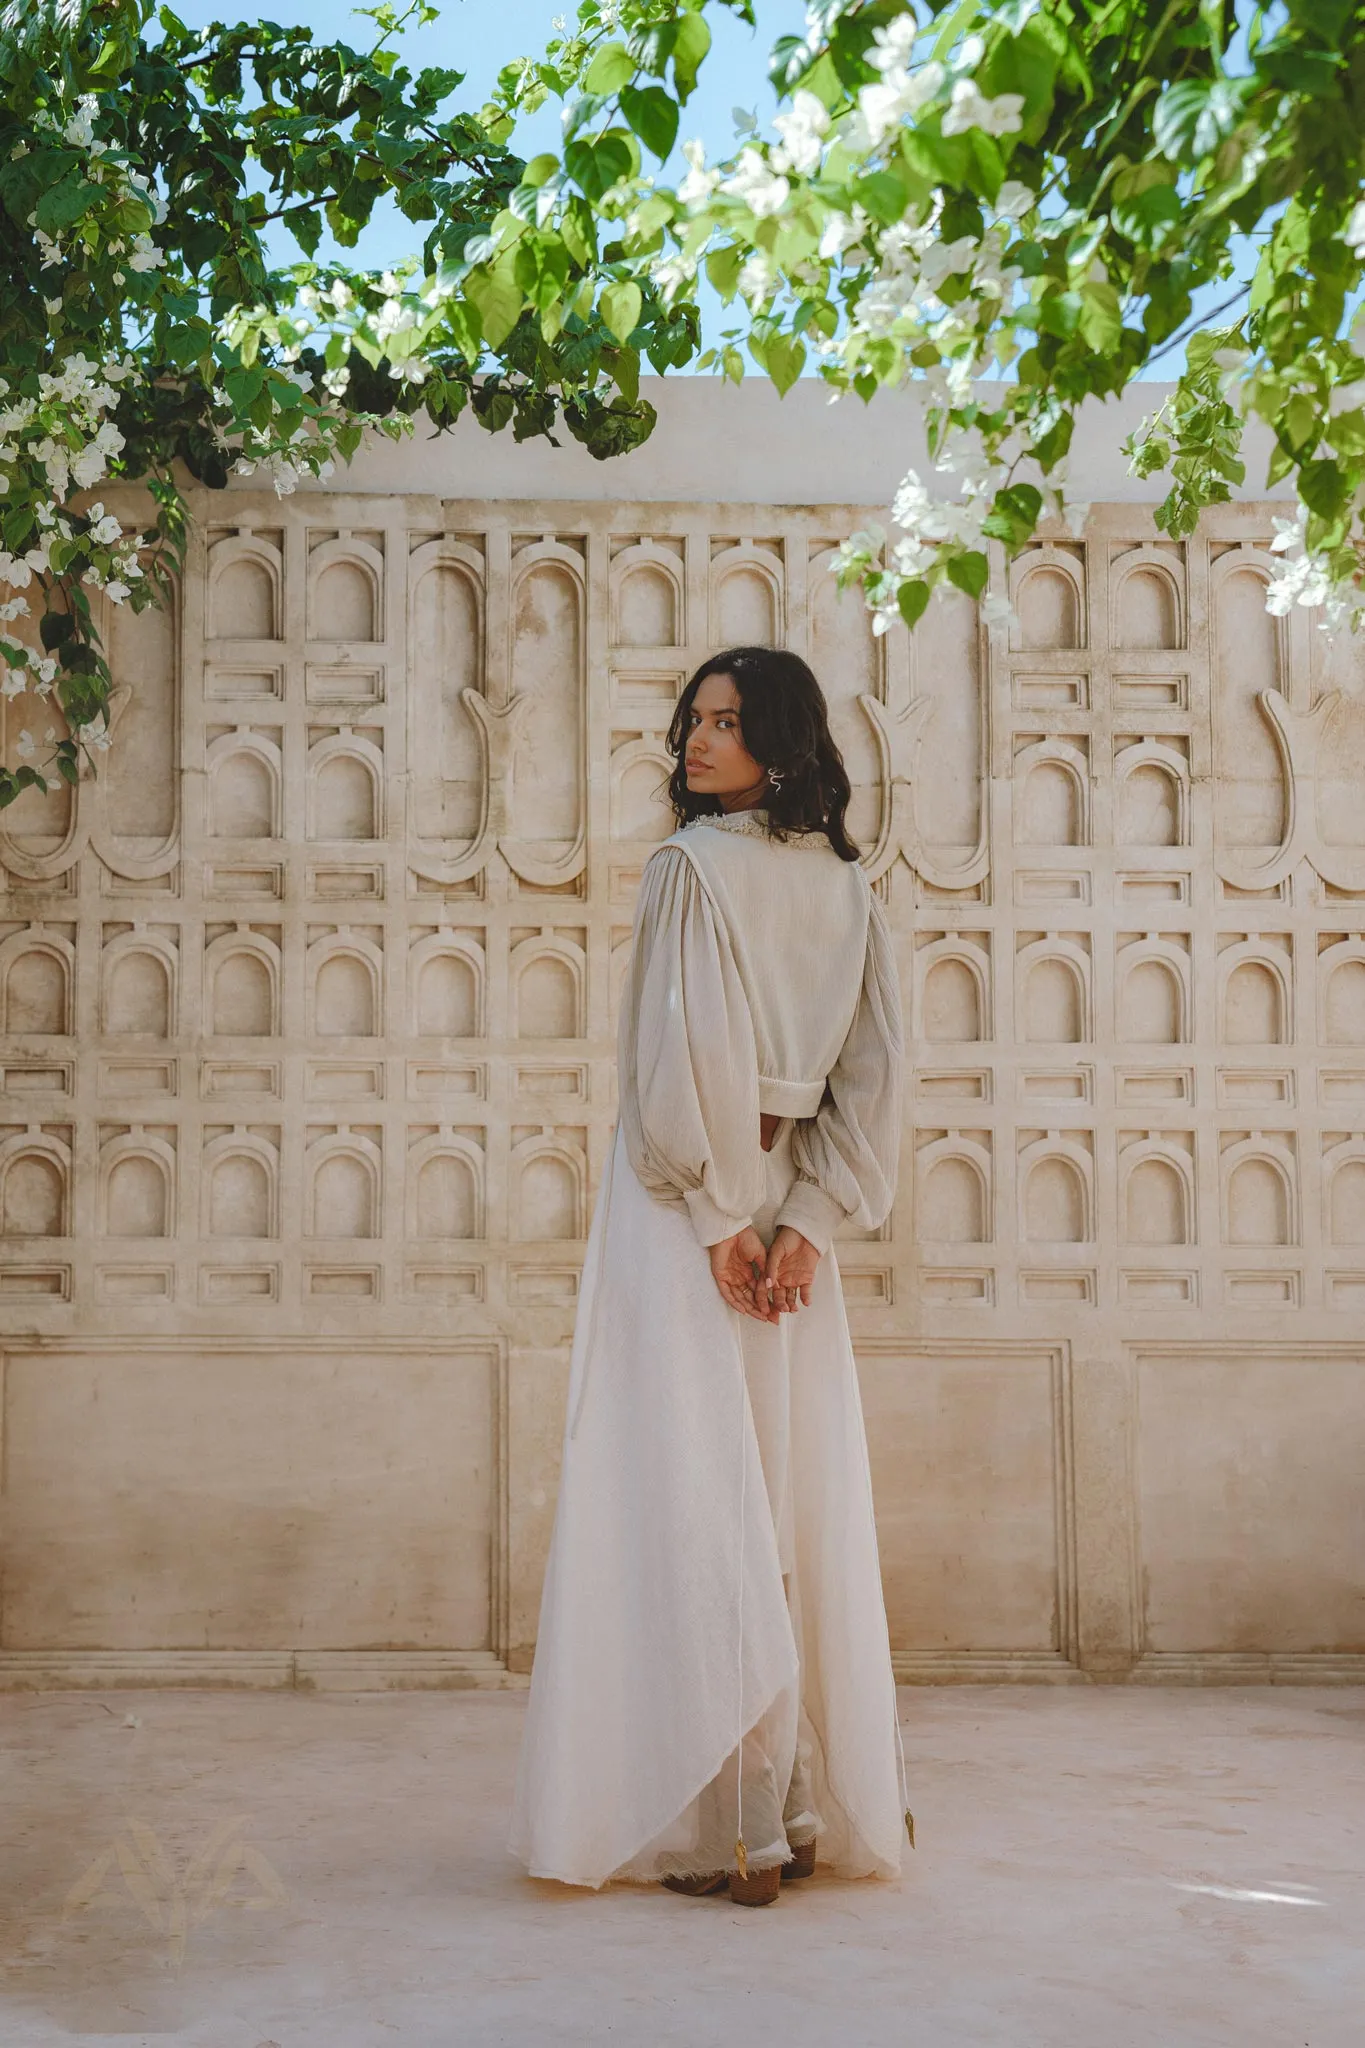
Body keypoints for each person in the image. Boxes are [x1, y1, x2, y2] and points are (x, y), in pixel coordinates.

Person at [508, 645, 911, 1907]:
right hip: (783, 1232)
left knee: (687, 1495)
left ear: (782, 740)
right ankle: (779, 1810)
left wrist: (726, 1219)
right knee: (781, 1500)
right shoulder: (847, 888)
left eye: (729, 722)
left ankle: (730, 1826)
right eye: (695, 718)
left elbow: (680, 1058)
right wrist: (809, 1219)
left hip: (685, 1220)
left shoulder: (689, 870)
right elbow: (874, 1078)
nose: (698, 739)